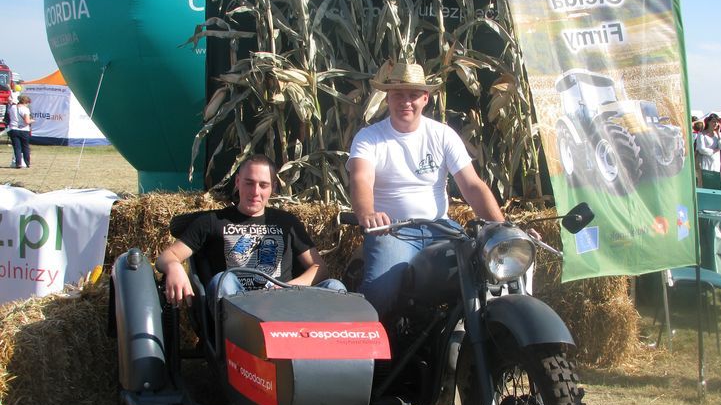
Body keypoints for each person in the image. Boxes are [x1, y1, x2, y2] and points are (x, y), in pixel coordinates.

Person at [347, 61, 504, 317]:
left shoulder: (443, 135)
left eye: (413, 95)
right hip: (392, 232)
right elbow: (361, 179)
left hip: (441, 229)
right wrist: (367, 213)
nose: (405, 102)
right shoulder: (369, 137)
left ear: (425, 98)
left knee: (485, 272)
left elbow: (472, 186)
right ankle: (371, 354)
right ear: (387, 97)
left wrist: (501, 228)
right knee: (381, 291)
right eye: (398, 94)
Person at [156, 154, 345, 308]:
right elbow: (167, 256)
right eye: (249, 183)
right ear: (237, 182)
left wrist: (288, 288)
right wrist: (174, 267)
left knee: (335, 287)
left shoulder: (287, 222)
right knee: (225, 279)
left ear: (273, 188)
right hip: (237, 304)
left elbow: (320, 269)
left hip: (284, 302)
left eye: (263, 185)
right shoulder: (212, 221)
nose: (255, 192)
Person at [8, 94, 33, 169]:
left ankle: (18, 163)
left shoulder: (12, 107)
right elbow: (27, 121)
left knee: (17, 147)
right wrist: (32, 120)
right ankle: (27, 163)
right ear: (26, 102)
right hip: (23, 130)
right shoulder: (25, 109)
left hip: (13, 129)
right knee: (25, 147)